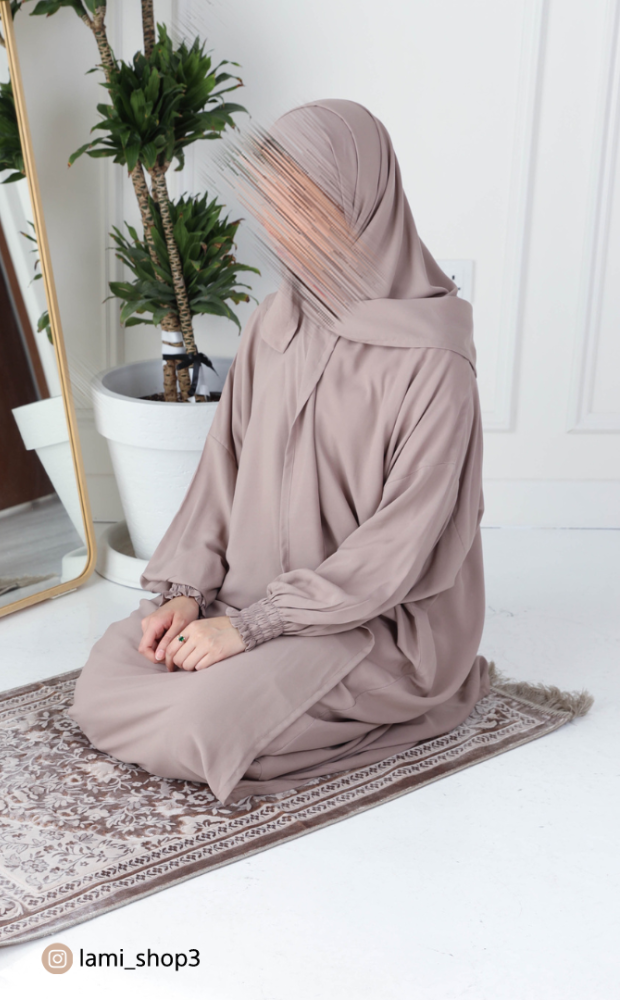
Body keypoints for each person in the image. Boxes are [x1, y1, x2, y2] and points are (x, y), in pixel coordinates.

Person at [69, 100, 489, 805]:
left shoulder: (434, 361)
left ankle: (349, 697)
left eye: (302, 203)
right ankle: (251, 685)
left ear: (361, 203)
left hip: (371, 622)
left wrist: (252, 629)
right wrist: (187, 594)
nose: (277, 224)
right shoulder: (278, 320)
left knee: (202, 726)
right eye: (272, 201)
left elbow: (401, 544)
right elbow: (223, 469)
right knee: (102, 685)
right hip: (247, 597)